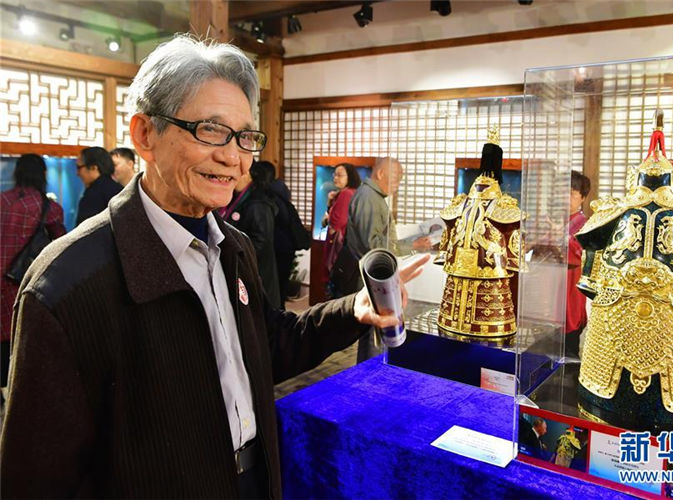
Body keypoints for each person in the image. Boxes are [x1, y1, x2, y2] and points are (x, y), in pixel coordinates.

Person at [0, 35, 429, 499]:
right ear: (145, 134)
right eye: (210, 129)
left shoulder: (233, 247)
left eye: (245, 136)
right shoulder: (65, 285)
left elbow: (268, 346)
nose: (233, 156)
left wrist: (352, 310)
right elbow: (36, 479)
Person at [335, 157, 431, 362]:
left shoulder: (373, 197)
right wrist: (411, 246)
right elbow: (374, 246)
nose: (397, 186)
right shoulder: (369, 198)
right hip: (372, 279)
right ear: (380, 174)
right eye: (396, 180)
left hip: (372, 278)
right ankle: (372, 378)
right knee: (376, 333)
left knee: (375, 333)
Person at [0, 154, 66, 399]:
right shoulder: (49, 207)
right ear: (43, 174)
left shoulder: (2, 200)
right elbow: (61, 246)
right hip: (21, 283)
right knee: (20, 341)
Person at [221, 161, 281, 309]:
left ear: (247, 174)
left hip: (256, 269)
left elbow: (261, 242)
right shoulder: (238, 197)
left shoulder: (258, 203)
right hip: (242, 267)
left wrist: (236, 257)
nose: (230, 179)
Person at [257, 161, 296, 308]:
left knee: (275, 288)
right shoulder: (280, 189)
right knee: (280, 286)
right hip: (286, 246)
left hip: (279, 247)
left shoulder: (269, 194)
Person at [322, 163, 361, 297]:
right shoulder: (354, 192)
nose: (335, 178)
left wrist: (327, 217)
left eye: (340, 175)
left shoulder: (345, 194)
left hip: (339, 249)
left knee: (335, 292)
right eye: (334, 174)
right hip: (350, 249)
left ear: (349, 177)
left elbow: (335, 223)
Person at [565, 170, 590, 359]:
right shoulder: (557, 221)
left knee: (569, 337)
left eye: (573, 194)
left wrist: (562, 239)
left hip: (571, 286)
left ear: (582, 198)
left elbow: (582, 255)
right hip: (552, 283)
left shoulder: (586, 225)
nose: (568, 198)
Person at [75, 146, 123, 225]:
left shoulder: (93, 195)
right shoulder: (120, 189)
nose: (77, 173)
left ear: (94, 168)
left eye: (78, 167)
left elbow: (85, 230)